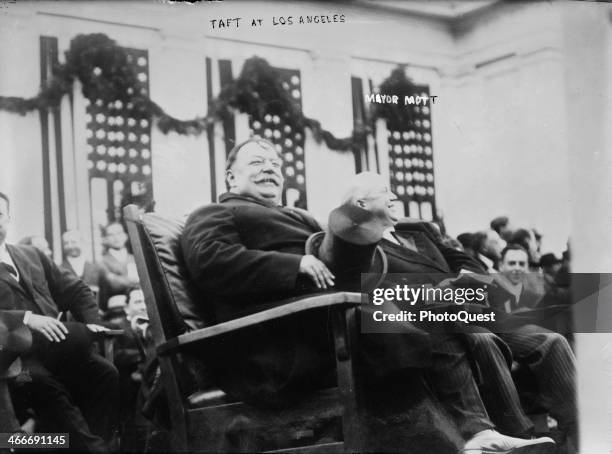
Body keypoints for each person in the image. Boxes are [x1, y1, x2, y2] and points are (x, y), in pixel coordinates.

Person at [180, 138, 554, 453]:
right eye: (257, 162)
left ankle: (481, 433)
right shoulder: (213, 212)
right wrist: (293, 266)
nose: (270, 167)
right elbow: (210, 260)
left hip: (328, 319)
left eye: (275, 163)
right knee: (417, 312)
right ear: (230, 176)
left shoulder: (301, 217)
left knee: (439, 309)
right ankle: (479, 434)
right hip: (275, 345)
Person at [341, 173, 576, 451]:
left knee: (551, 341)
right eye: (384, 192)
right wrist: (445, 287)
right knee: (484, 341)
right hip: (435, 321)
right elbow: (380, 292)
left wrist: (468, 278)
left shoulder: (419, 232)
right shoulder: (361, 247)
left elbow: (464, 260)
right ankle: (520, 437)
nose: (394, 196)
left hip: (473, 306)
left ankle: (583, 425)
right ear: (362, 204)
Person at [0, 191, 119, 453]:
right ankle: (94, 450)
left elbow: (77, 290)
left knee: (106, 373)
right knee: (42, 383)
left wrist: (93, 324)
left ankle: (98, 445)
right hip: (15, 362)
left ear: (8, 218)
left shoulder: (31, 255)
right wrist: (28, 319)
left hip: (57, 347)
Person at [98, 222, 139, 312]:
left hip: (139, 305)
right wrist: (133, 280)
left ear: (125, 236)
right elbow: (114, 285)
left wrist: (117, 278)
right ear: (105, 239)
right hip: (116, 309)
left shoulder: (134, 259)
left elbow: (143, 283)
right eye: (111, 235)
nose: (116, 237)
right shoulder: (102, 262)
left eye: (119, 233)